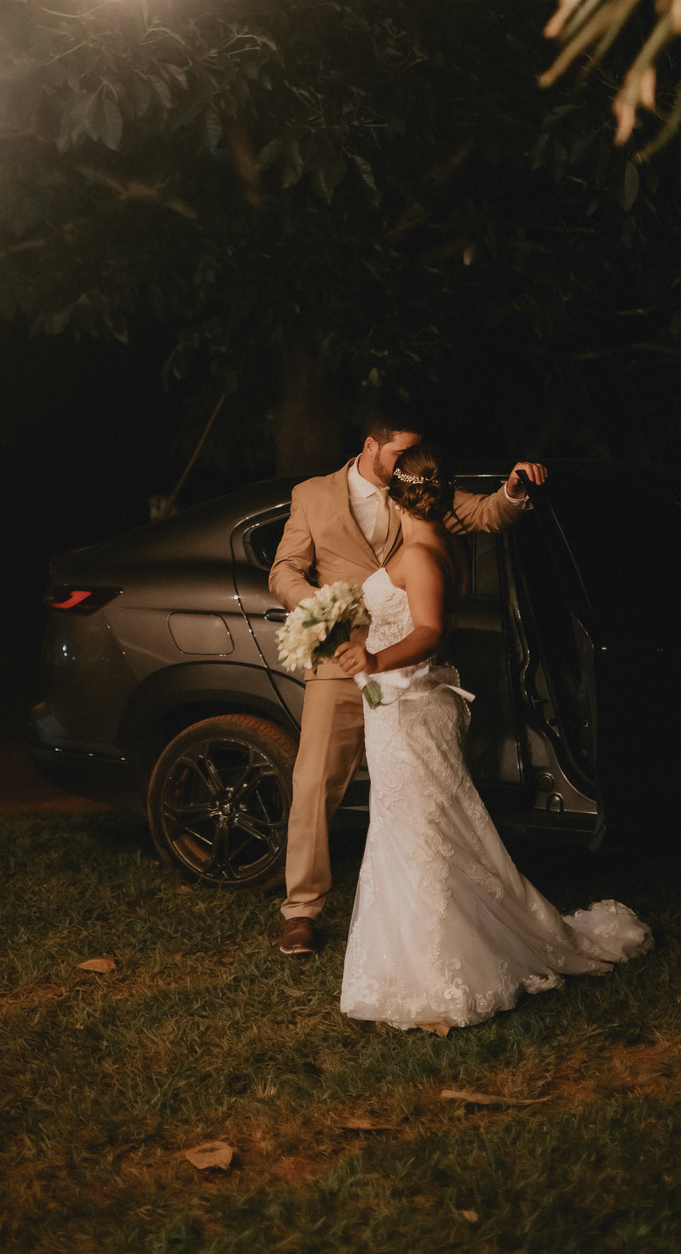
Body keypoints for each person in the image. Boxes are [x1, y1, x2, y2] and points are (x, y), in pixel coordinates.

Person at [334, 444, 652, 1030]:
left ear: (397, 498)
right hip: (406, 705)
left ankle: (439, 976)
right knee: (421, 831)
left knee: (420, 834)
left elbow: (428, 632)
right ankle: (415, 960)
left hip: (409, 709)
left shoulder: (421, 554)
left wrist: (374, 659)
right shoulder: (441, 544)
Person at [268, 403, 546, 954]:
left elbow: (486, 513)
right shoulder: (312, 495)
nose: (409, 462)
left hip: (411, 669)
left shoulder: (419, 489)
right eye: (400, 452)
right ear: (371, 446)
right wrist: (322, 609)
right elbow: (285, 569)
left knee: (418, 793)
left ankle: (434, 907)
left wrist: (513, 491)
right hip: (340, 662)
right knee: (314, 784)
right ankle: (301, 910)